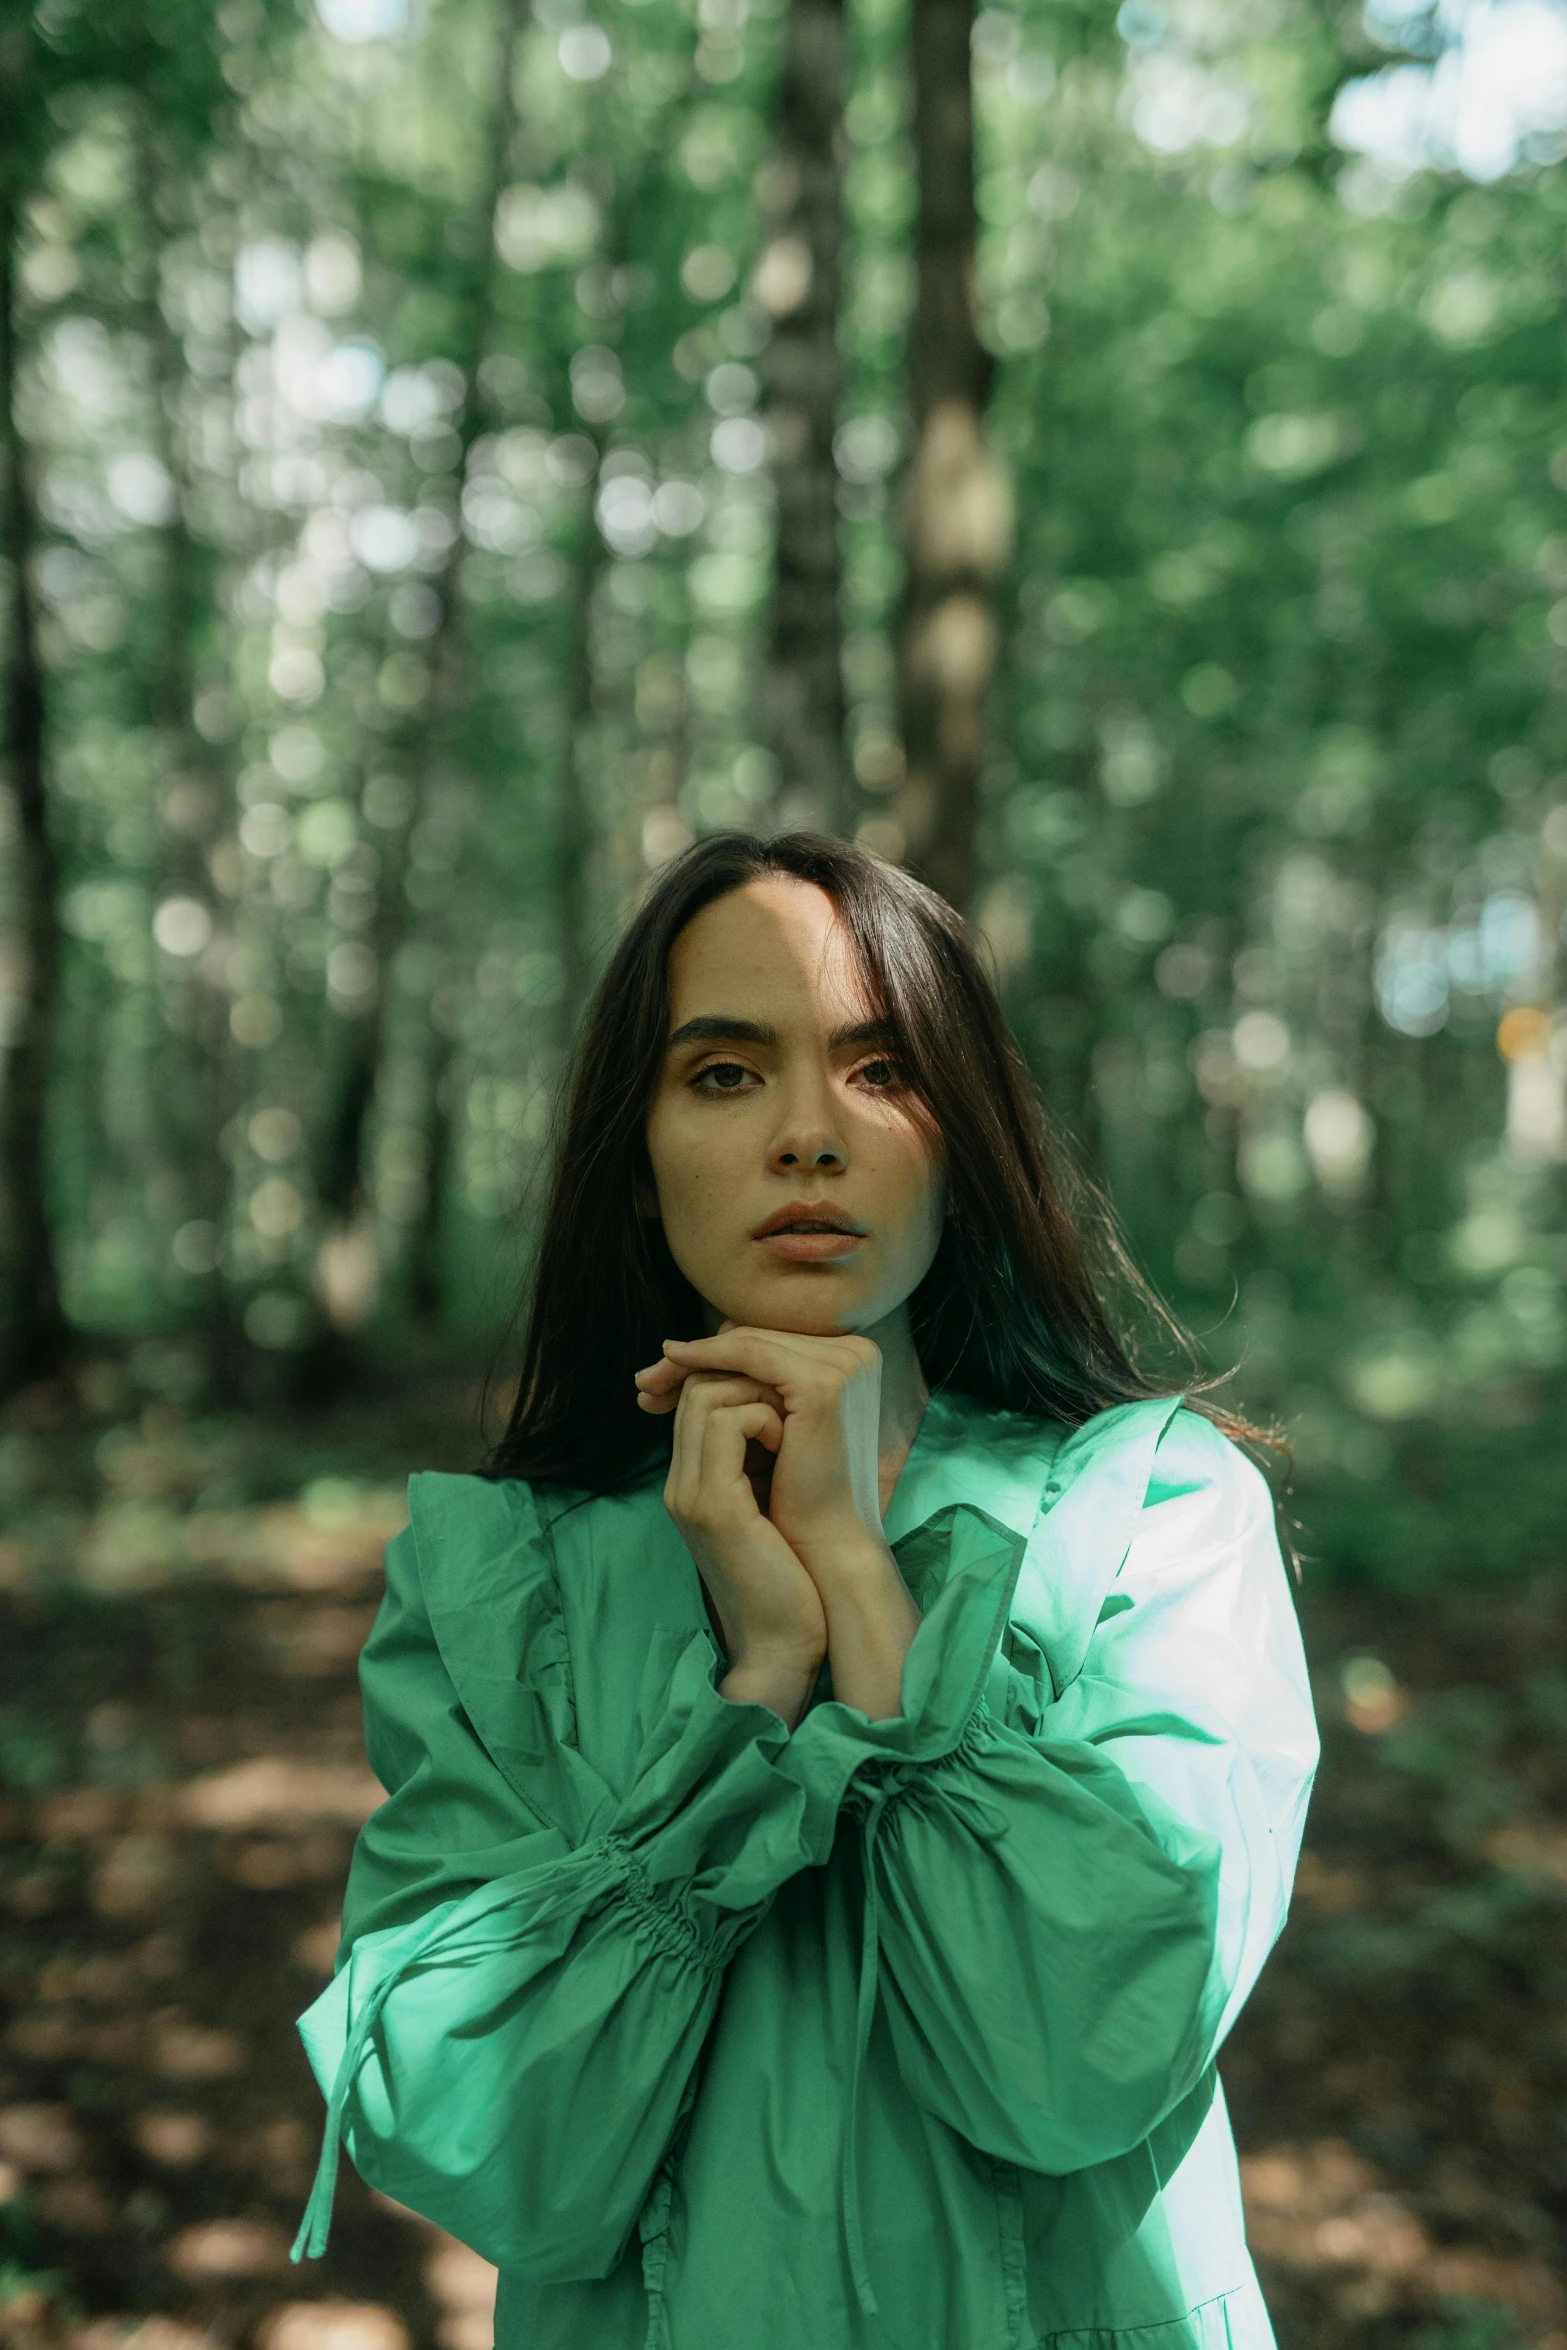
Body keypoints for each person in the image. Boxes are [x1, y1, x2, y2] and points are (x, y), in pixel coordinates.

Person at [291, 831, 1318, 2350]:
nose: (805, 1136)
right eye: (722, 1072)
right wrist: (761, 1677)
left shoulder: (1152, 1512)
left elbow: (1080, 2044)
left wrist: (851, 1570)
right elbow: (485, 2137)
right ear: (634, 1164)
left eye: (880, 1069)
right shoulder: (495, 1575)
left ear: (960, 1145)